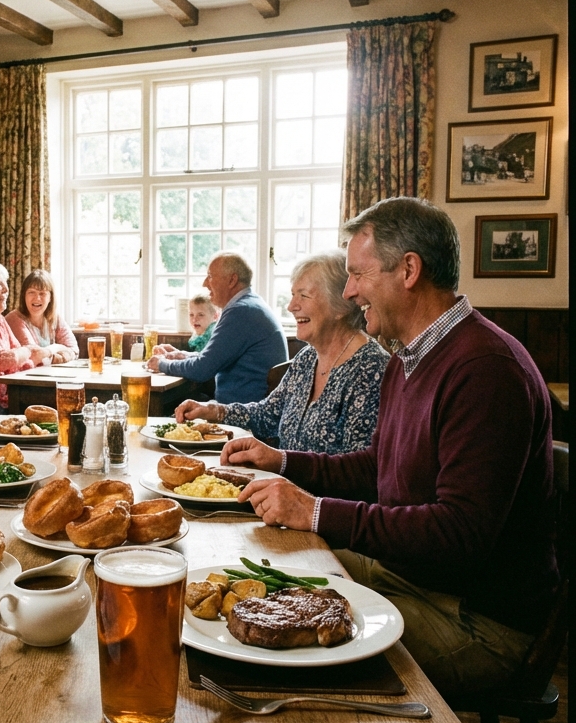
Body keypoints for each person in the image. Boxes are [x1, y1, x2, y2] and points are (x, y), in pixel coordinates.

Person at [222, 197, 557, 696]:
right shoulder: (408, 358)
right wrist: (286, 464)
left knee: (286, 648)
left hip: (480, 623)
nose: (351, 290)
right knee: (263, 572)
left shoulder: (486, 369)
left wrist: (315, 513)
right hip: (412, 579)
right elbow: (378, 465)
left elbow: (460, 532)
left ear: (408, 270)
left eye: (358, 274)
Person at [173, 251, 389, 453]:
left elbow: (358, 469)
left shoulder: (371, 369)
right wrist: (212, 411)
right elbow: (267, 415)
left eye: (303, 296)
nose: (291, 306)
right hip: (281, 485)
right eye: (293, 295)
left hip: (309, 493)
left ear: (340, 304)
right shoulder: (307, 357)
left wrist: (281, 463)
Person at [146, 251, 287, 403]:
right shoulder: (250, 304)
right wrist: (181, 355)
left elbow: (202, 369)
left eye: (211, 276)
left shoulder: (240, 311)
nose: (205, 283)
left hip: (242, 415)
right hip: (243, 407)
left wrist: (162, 364)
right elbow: (214, 358)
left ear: (232, 280)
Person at [0, 260, 53, 410]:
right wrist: (27, 351)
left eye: (6, 283)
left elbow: (20, 360)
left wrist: (27, 357)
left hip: (10, 396)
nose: (6, 289)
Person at [5, 269, 79, 364]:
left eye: (42, 293)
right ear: (24, 296)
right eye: (32, 292)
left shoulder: (55, 318)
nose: (37, 298)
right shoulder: (14, 319)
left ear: (50, 298)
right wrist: (57, 348)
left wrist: (50, 355)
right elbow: (34, 356)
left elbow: (74, 350)